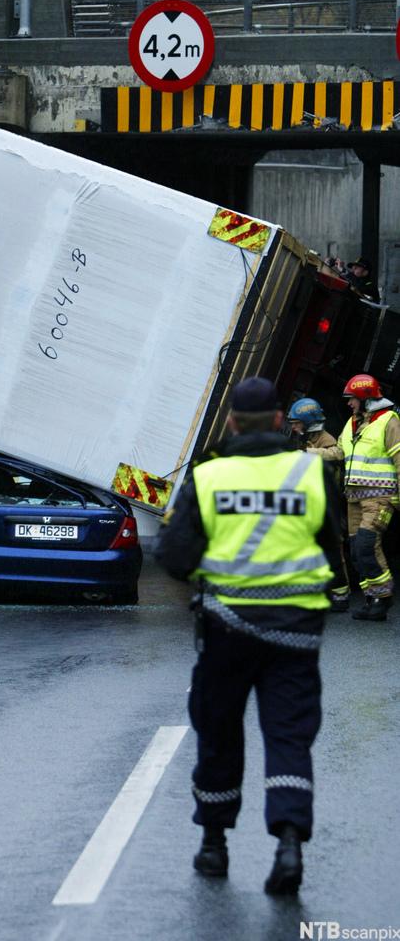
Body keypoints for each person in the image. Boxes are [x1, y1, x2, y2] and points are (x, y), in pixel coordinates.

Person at [156, 377, 341, 895]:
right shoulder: (309, 472)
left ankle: (214, 846)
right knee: (288, 734)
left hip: (226, 630)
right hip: (296, 633)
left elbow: (173, 556)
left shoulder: (211, 477)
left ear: (233, 422)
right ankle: (288, 843)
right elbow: (331, 548)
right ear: (281, 422)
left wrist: (209, 572)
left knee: (219, 731)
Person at [307, 374, 400, 621]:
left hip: (380, 497)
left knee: (367, 544)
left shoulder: (389, 421)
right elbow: (338, 452)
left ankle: (384, 598)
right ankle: (372, 599)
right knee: (358, 552)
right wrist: (306, 453)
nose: (348, 404)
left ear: (365, 398)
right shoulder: (352, 424)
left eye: (352, 399)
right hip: (354, 497)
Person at [288, 397, 351, 611]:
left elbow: (335, 456)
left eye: (296, 423)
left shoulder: (325, 440)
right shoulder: (303, 438)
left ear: (307, 421)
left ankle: (340, 595)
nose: (294, 427)